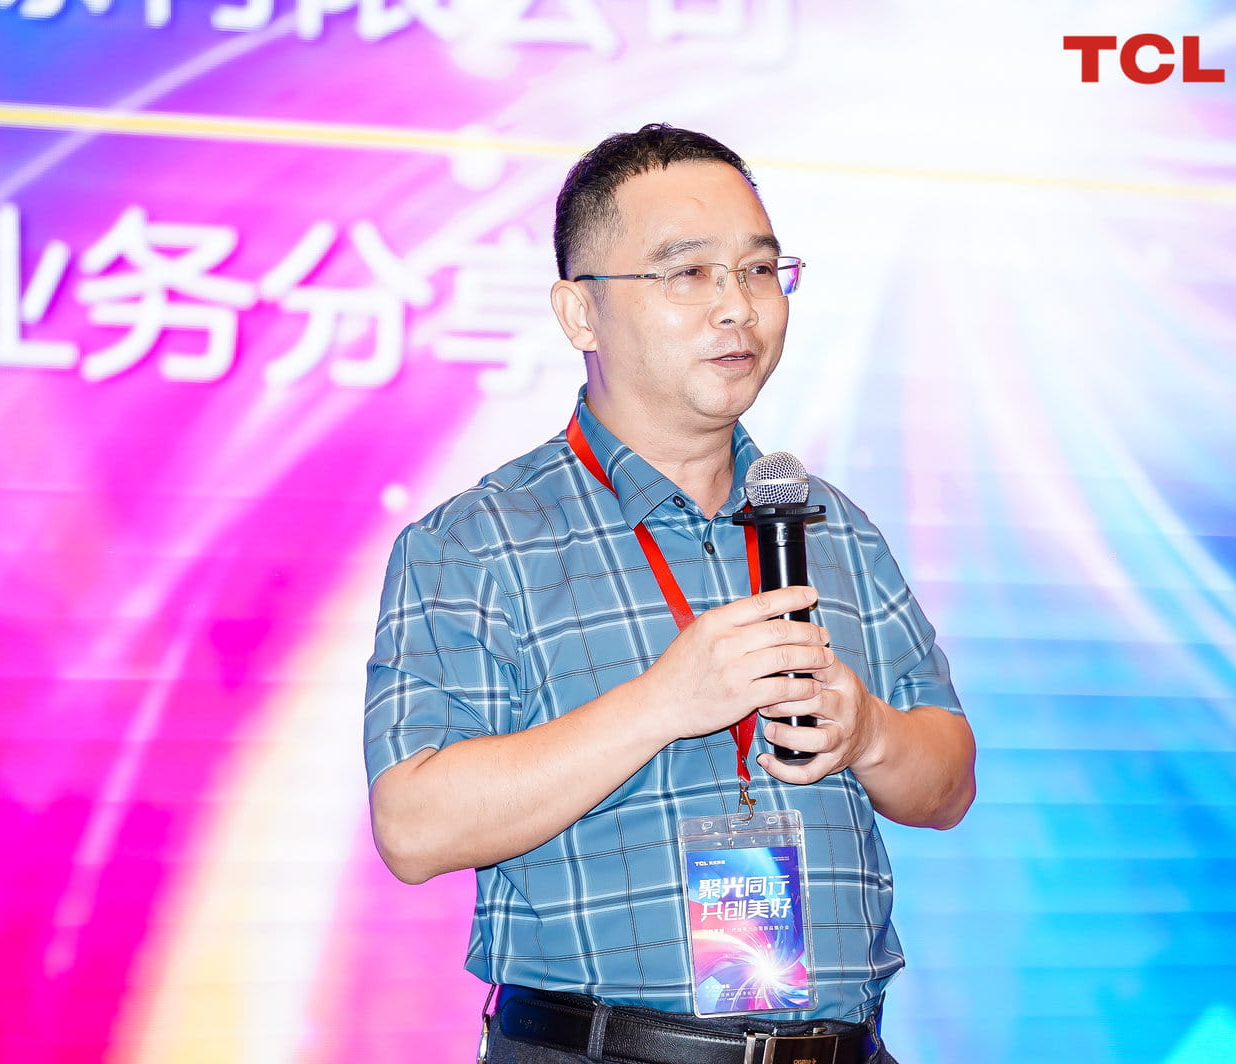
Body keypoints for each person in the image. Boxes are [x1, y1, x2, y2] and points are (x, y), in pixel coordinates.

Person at [364, 124, 976, 1064]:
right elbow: (413, 828)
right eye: (688, 274)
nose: (737, 307)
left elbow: (950, 784)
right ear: (580, 312)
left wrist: (870, 734)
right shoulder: (477, 541)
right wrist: (662, 704)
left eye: (760, 271)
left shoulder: (831, 526)